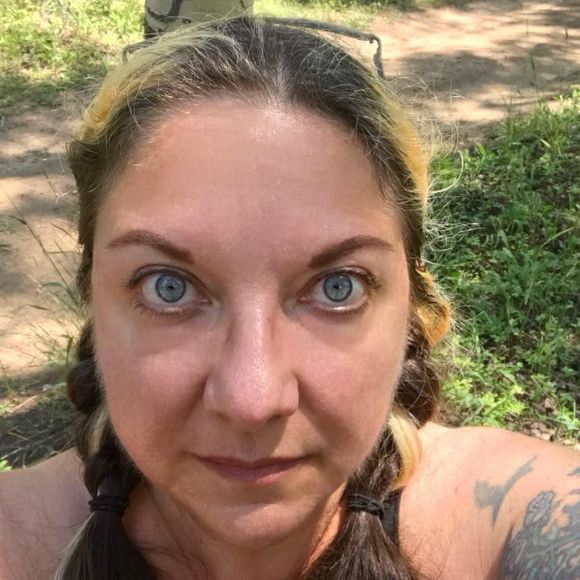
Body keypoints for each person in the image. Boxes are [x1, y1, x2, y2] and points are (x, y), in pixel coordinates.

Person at [0, 16, 578, 580]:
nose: (252, 401)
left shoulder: (510, 518)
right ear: (93, 299)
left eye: (337, 287)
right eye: (167, 287)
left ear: (412, 304)